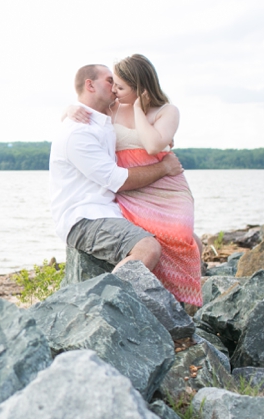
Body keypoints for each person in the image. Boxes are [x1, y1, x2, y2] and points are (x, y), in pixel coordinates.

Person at [65, 55, 202, 306]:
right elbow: (83, 112)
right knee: (150, 240)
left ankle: (176, 304)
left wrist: (139, 108)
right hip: (131, 188)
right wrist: (69, 109)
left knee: (183, 237)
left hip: (166, 187)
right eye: (113, 85)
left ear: (139, 87)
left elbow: (152, 144)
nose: (114, 91)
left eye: (120, 87)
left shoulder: (167, 111)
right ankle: (122, 304)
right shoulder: (113, 107)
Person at [50, 63, 184, 275]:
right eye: (109, 80)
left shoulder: (103, 120)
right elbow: (117, 180)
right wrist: (164, 167)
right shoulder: (78, 132)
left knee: (180, 242)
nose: (115, 87)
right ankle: (113, 302)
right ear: (90, 85)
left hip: (113, 209)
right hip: (85, 217)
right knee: (147, 248)